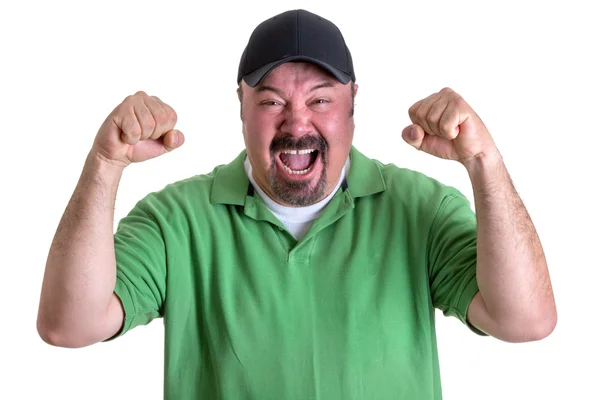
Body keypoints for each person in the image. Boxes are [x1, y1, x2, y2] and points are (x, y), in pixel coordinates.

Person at [37, 9, 557, 400]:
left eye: (320, 99)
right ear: (240, 106)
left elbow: (525, 321)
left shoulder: (421, 209)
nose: (297, 123)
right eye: (271, 101)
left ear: (354, 103)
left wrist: (484, 163)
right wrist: (105, 164)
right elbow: (69, 326)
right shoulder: (177, 220)